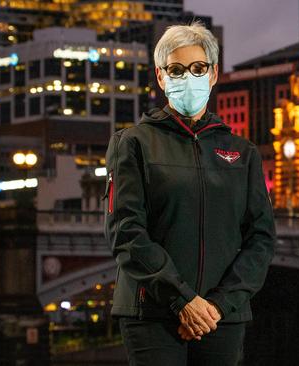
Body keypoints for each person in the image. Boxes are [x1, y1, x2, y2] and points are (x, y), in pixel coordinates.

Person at [103, 22, 275, 365]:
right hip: (151, 315)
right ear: (161, 77)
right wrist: (181, 300)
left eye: (198, 68)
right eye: (176, 69)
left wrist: (217, 305)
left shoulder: (242, 152)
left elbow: (261, 238)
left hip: (221, 317)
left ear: (212, 75)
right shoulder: (132, 144)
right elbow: (126, 231)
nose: (188, 77)